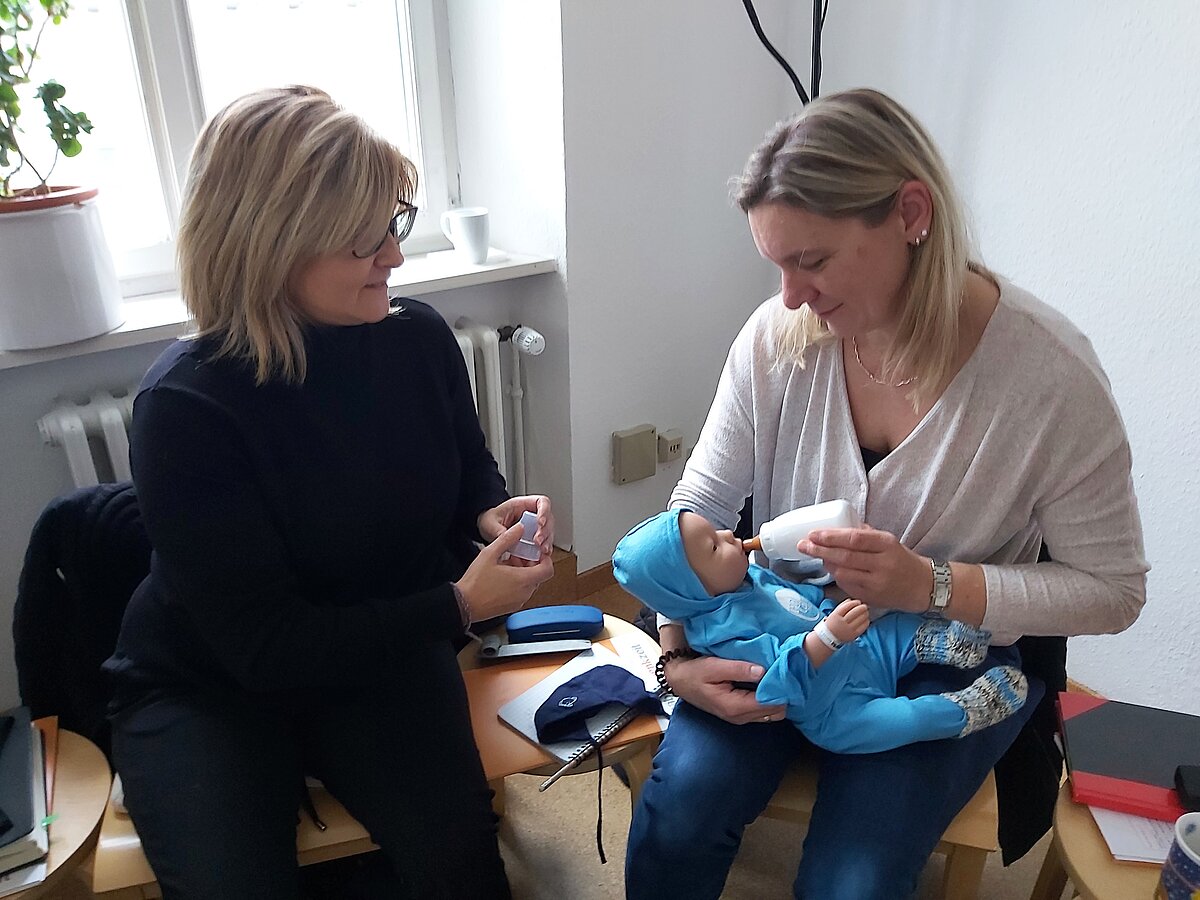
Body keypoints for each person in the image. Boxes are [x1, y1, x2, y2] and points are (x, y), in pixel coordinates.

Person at [624, 88, 1148, 900]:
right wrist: (674, 657)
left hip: (941, 654)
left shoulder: (1050, 381)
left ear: (910, 213)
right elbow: (695, 511)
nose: (791, 295)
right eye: (777, 264)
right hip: (781, 631)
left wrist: (933, 585)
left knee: (853, 880)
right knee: (681, 808)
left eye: (814, 260)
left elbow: (1114, 592)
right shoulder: (777, 340)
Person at [103, 85, 554, 900]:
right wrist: (457, 605)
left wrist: (488, 510)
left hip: (380, 653)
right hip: (216, 684)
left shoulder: (416, 339)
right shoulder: (185, 408)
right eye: (362, 241)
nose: (395, 257)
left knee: (461, 871)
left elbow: (466, 468)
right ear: (269, 245)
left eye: (395, 223)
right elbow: (265, 647)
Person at [613, 509, 1028, 754]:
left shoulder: (751, 577)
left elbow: (797, 601)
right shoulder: (720, 633)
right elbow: (774, 681)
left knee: (901, 626)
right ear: (691, 590)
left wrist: (829, 607)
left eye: (717, 529)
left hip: (861, 650)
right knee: (903, 720)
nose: (728, 535)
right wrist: (825, 636)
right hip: (835, 706)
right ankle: (964, 710)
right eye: (713, 547)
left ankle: (943, 642)